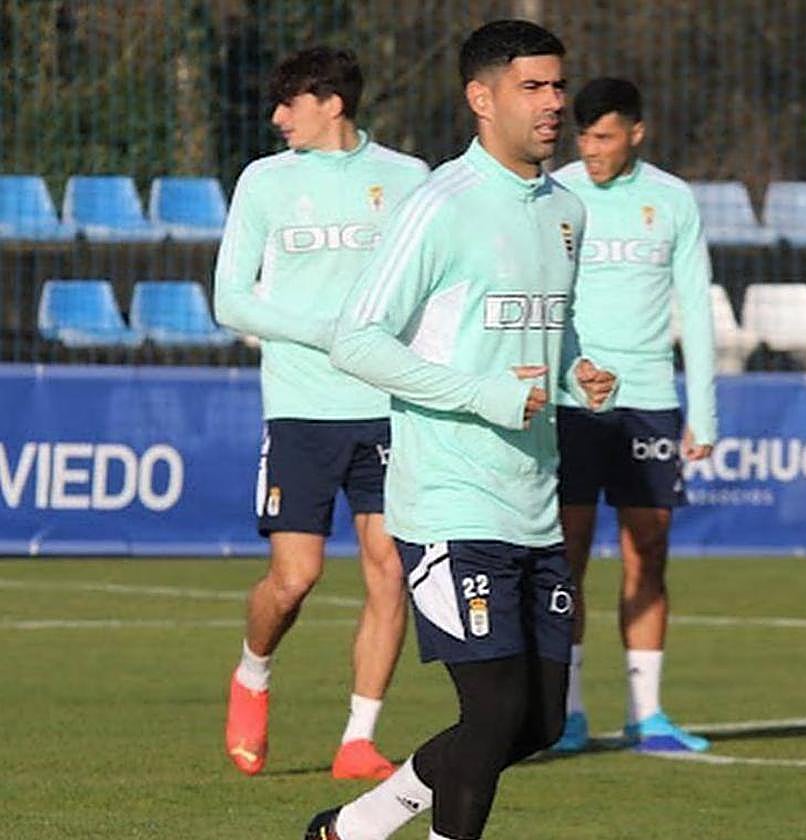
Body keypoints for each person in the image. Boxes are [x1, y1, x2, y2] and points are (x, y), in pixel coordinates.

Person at [303, 20, 616, 840]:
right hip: (449, 500)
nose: (554, 104)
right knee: (494, 709)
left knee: (539, 723)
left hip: (532, 503)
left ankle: (360, 827)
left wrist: (577, 370)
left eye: (558, 86)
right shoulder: (441, 205)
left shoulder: (568, 212)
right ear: (482, 99)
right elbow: (357, 339)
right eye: (533, 88)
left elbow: (553, 329)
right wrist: (482, 395)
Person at [214, 46, 430, 780]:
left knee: (390, 568)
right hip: (303, 408)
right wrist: (328, 333)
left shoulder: (408, 180)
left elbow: (431, 290)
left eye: (289, 102)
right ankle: (253, 673)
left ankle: (358, 739)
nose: (277, 117)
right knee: (294, 579)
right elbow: (230, 300)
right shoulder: (265, 182)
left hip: (390, 408)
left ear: (331, 103)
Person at [550, 78, 717, 753]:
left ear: (636, 134)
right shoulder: (556, 194)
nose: (591, 150)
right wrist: (568, 372)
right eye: (583, 136)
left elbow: (697, 306)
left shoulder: (673, 200)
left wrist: (701, 410)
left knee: (648, 552)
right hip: (573, 401)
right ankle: (568, 712)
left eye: (605, 137)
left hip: (650, 400)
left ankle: (648, 714)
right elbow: (544, 300)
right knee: (567, 558)